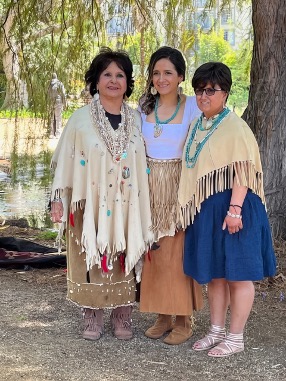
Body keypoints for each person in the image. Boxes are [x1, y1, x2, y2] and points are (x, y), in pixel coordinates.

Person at [50, 47, 153, 341]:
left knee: (123, 255)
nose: (113, 80)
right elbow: (66, 161)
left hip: (127, 202)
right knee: (89, 256)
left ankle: (123, 314)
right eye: (106, 74)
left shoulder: (137, 121)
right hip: (89, 201)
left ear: (127, 82)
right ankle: (92, 316)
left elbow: (141, 161)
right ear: (96, 81)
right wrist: (58, 198)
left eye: (120, 75)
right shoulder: (80, 120)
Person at [178, 62, 277, 357]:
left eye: (211, 90)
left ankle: (235, 337)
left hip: (237, 208)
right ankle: (216, 331)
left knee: (239, 274)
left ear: (225, 92)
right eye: (199, 90)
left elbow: (243, 170)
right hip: (210, 209)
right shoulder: (200, 125)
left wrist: (234, 209)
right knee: (217, 274)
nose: (203, 96)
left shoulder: (235, 126)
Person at [138, 46, 203, 346]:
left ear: (180, 76)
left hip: (178, 186)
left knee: (177, 253)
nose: (161, 78)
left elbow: (203, 146)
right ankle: (162, 315)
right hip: (150, 186)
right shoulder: (144, 108)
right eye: (156, 73)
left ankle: (183, 319)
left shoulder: (192, 107)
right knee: (155, 252)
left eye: (168, 73)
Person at [48, 73, 67, 137]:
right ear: (56, 77)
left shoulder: (49, 84)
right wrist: (65, 103)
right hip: (58, 101)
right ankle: (58, 133)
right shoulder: (59, 83)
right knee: (58, 118)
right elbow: (63, 93)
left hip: (50, 101)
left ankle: (51, 133)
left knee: (51, 118)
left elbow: (47, 93)